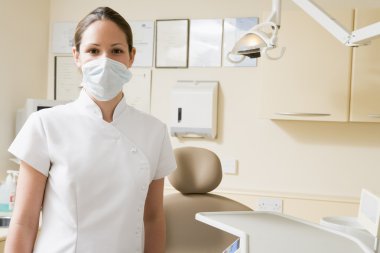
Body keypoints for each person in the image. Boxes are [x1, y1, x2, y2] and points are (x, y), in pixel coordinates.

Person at [5, 6, 176, 253]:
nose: (105, 61)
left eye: (116, 51)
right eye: (93, 51)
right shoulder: (45, 125)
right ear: (76, 56)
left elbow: (153, 219)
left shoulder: (154, 131)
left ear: (132, 57)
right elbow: (24, 222)